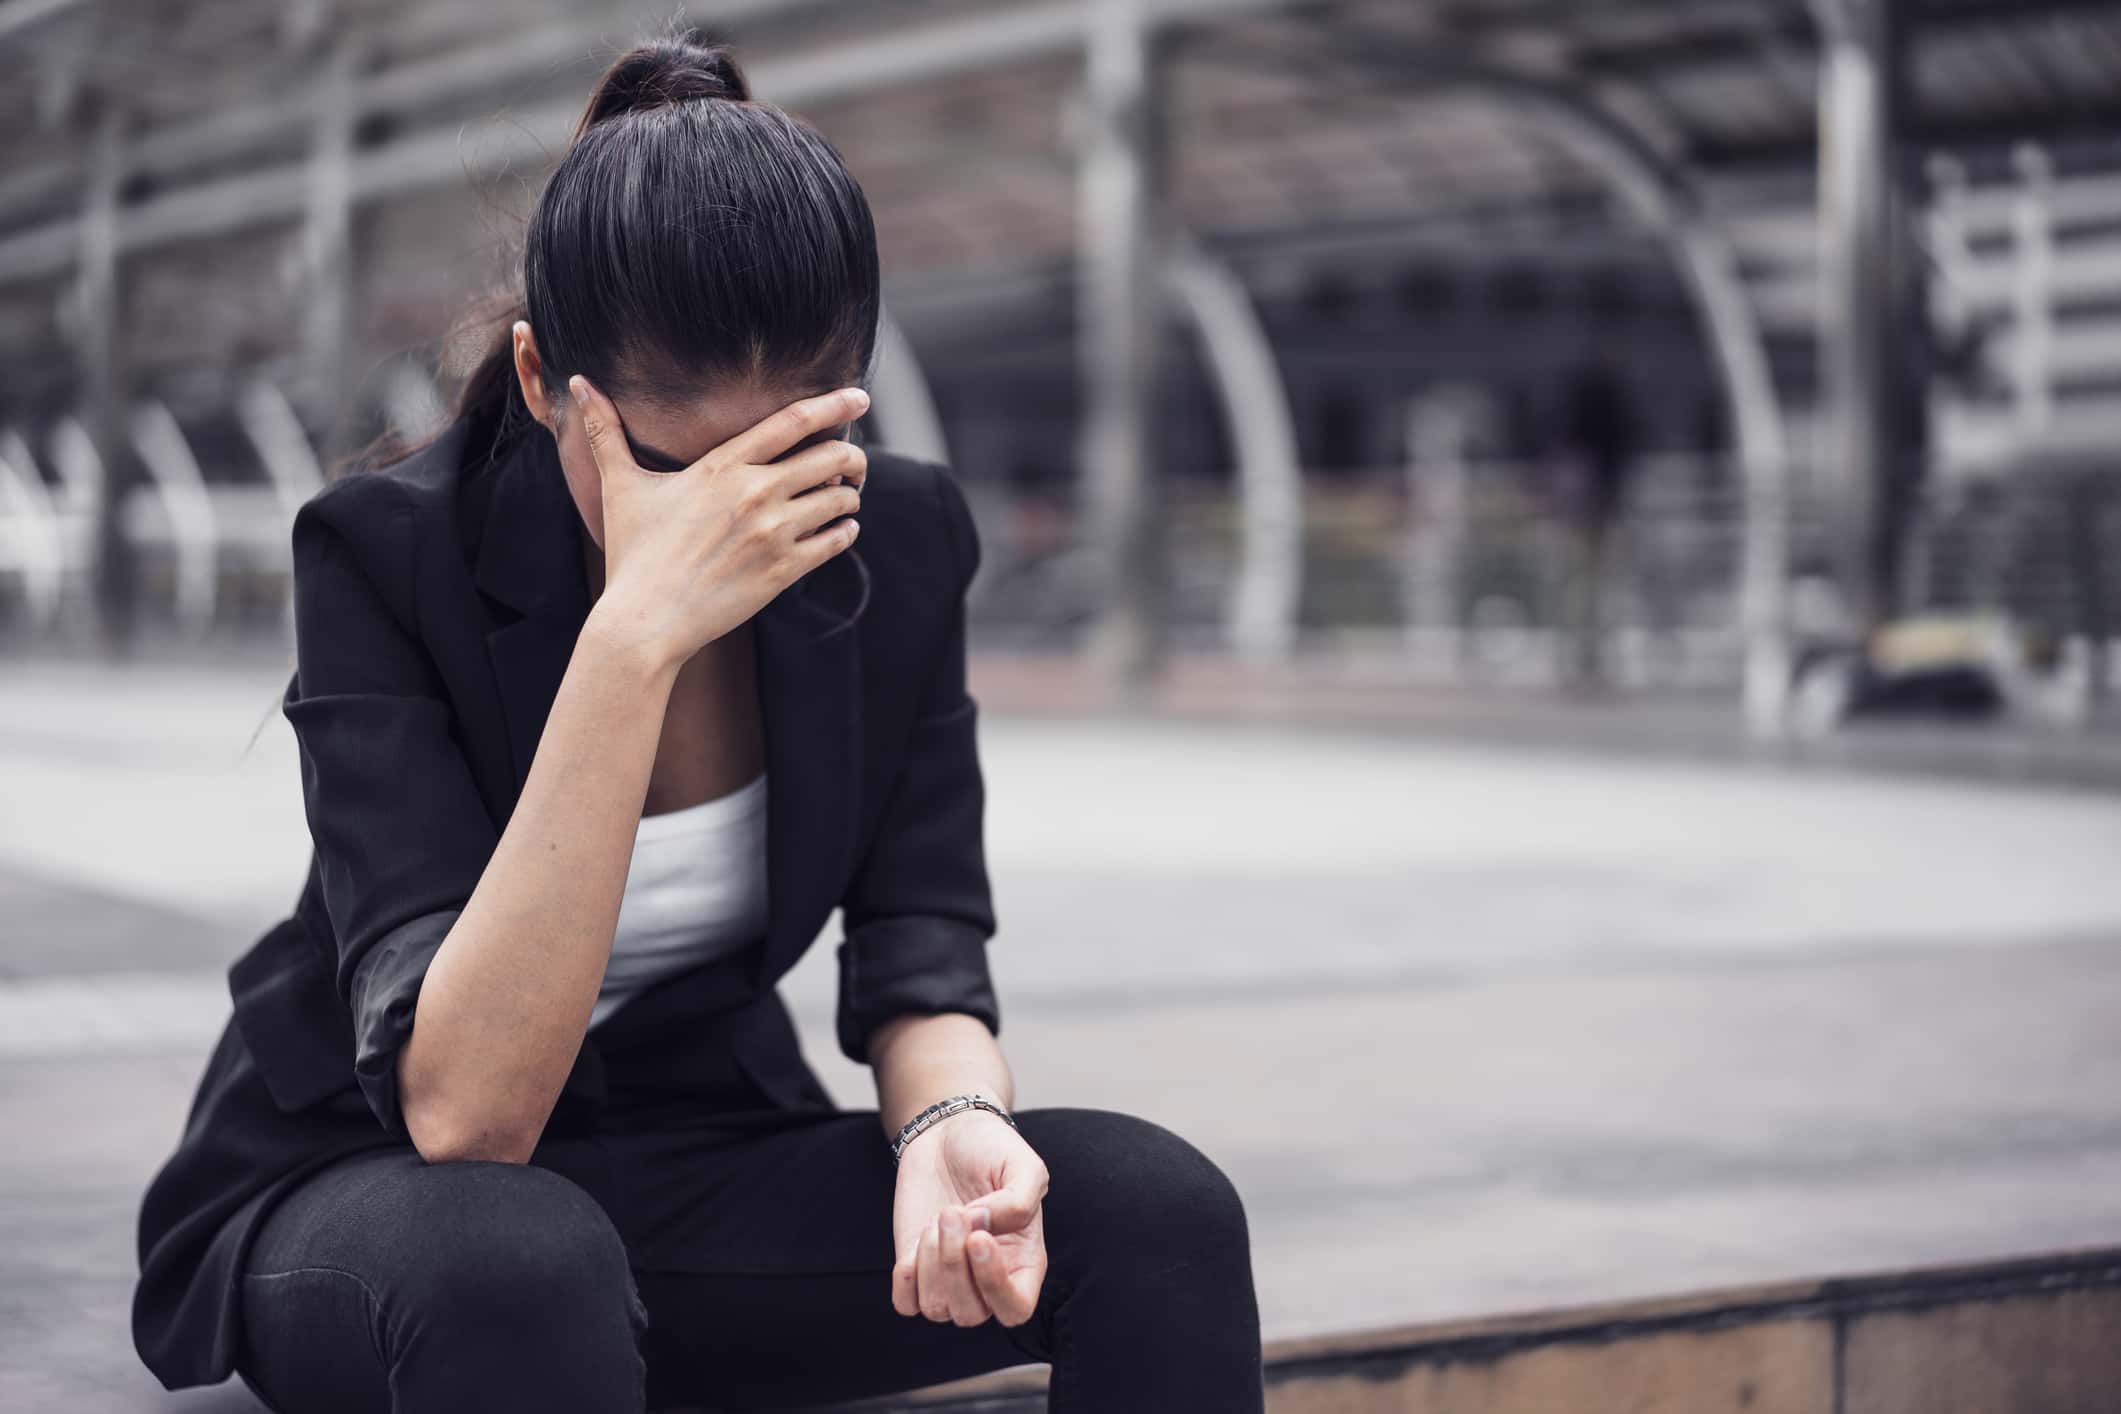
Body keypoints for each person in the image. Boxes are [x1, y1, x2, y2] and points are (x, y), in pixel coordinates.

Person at [131, 30, 1264, 1414]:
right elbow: (466, 1113)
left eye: (785, 455)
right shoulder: (386, 553)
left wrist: (954, 1124)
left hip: (702, 1153)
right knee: (521, 1262)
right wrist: (634, 639)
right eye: (675, 468)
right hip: (373, 1187)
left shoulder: (894, 540)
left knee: (1155, 1209)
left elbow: (920, 951)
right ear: (549, 384)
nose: (734, 517)